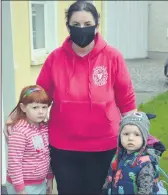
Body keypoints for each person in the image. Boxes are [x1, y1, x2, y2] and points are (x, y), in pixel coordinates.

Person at [4, 1, 137, 194]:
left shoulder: (112, 57)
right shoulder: (55, 59)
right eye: (75, 25)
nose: (81, 29)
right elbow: (37, 96)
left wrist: (137, 135)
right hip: (63, 147)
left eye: (87, 23)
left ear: (96, 25)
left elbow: (127, 101)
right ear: (67, 26)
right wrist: (15, 116)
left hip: (104, 147)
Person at [6, 85, 54, 195]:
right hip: (23, 186)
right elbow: (14, 163)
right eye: (35, 107)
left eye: (44, 107)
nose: (41, 112)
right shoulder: (20, 132)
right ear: (23, 108)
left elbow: (46, 155)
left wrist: (49, 178)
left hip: (40, 183)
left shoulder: (44, 129)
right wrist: (20, 190)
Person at [104, 112, 160, 195]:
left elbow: (145, 192)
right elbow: (109, 179)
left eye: (137, 134)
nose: (130, 138)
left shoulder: (145, 164)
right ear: (120, 136)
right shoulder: (118, 156)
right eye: (126, 134)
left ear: (144, 138)